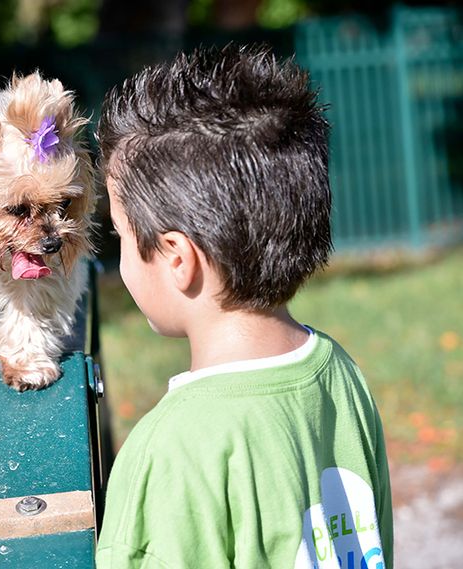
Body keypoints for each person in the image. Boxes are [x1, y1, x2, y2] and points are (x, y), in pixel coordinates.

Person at [94, 45, 393, 568]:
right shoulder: (340, 375)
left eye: (118, 235)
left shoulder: (168, 453)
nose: (117, 258)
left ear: (176, 257)